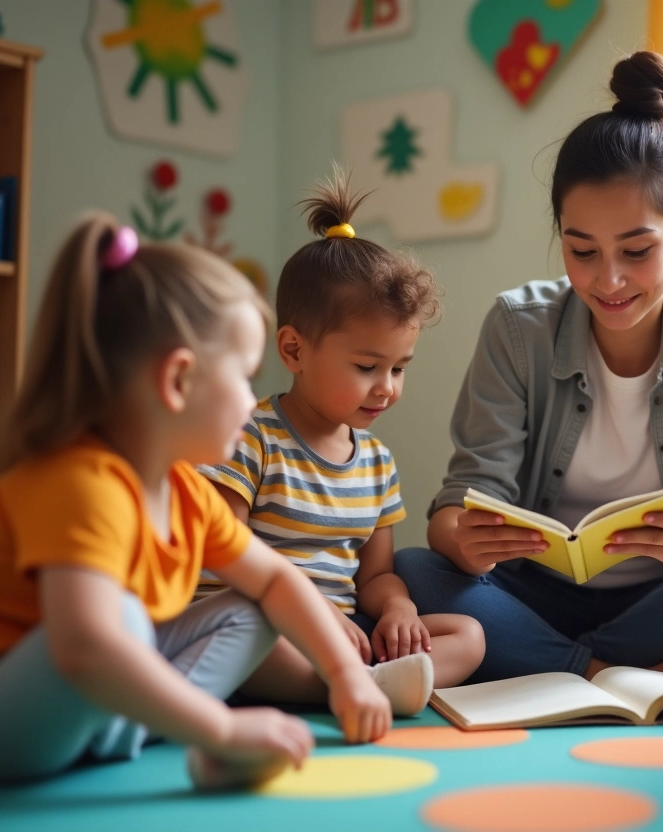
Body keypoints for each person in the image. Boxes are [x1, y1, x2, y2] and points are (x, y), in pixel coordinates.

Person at [0, 215, 396, 789]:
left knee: (254, 605)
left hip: (73, 699)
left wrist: (344, 675)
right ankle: (177, 727)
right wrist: (222, 731)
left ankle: (144, 726)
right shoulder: (80, 481)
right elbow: (83, 646)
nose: (253, 398)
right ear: (179, 381)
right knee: (120, 621)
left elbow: (277, 581)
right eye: (244, 375)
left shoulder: (183, 490)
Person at [394, 51, 663, 684]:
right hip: (535, 594)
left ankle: (543, 659)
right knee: (414, 573)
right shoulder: (517, 325)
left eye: (637, 251)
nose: (608, 280)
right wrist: (460, 540)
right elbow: (461, 502)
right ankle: (597, 667)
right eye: (581, 250)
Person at [199, 172, 484, 714]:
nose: (387, 387)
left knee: (469, 634)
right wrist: (311, 612)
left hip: (345, 629)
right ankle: (355, 687)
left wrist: (397, 610)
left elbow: (374, 575)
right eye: (366, 366)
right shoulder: (252, 437)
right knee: (257, 641)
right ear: (294, 350)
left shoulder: (376, 462)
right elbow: (226, 549)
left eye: (400, 368)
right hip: (265, 620)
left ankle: (363, 682)